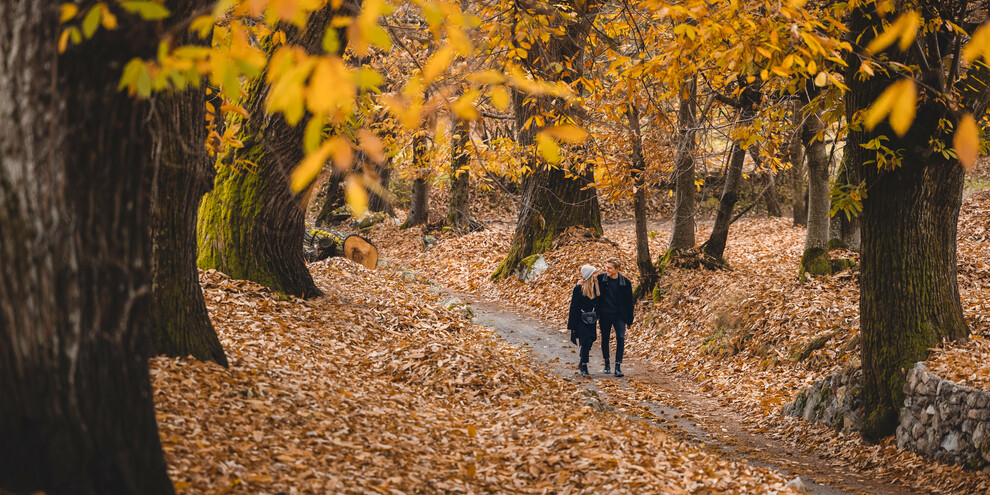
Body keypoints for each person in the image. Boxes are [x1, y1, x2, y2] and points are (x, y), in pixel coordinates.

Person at [596, 257, 634, 377]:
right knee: (605, 338)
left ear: (617, 269)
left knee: (621, 338)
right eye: (606, 267)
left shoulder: (625, 282)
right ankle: (607, 363)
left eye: (610, 268)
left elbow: (629, 302)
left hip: (619, 315)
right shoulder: (601, 278)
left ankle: (618, 366)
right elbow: (589, 287)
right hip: (604, 314)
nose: (607, 269)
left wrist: (629, 320)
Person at [567, 264, 599, 377]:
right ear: (590, 276)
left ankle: (581, 362)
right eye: (595, 273)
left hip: (591, 319)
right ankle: (584, 365)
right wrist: (572, 326)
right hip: (580, 319)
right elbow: (574, 307)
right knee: (586, 341)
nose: (597, 275)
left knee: (590, 341)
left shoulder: (596, 287)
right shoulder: (578, 289)